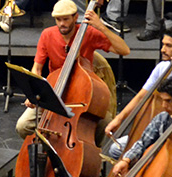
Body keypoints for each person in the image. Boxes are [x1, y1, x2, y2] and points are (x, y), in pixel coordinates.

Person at [14, 0, 129, 139]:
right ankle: (49, 150)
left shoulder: (89, 32)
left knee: (105, 123)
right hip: (55, 91)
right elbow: (36, 68)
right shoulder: (47, 34)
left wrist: (101, 26)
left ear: (75, 17)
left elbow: (124, 50)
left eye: (66, 19)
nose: (62, 23)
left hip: (83, 93)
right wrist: (33, 93)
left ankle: (89, 151)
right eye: (58, 19)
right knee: (23, 126)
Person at [104, 26, 172, 145]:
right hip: (160, 124)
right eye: (163, 44)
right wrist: (119, 119)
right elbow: (141, 96)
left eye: (169, 46)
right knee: (115, 150)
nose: (163, 50)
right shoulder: (162, 67)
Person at [108, 77, 172, 167]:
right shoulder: (161, 118)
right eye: (162, 100)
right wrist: (126, 160)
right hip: (156, 165)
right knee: (115, 150)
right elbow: (142, 143)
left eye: (169, 101)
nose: (163, 105)